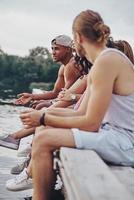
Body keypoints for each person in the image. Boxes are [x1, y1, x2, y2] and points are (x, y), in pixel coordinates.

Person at [6, 9, 134, 200]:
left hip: (124, 142)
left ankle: (38, 192)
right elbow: (81, 112)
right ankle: (37, 181)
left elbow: (90, 123)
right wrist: (44, 120)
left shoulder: (107, 61)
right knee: (43, 131)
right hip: (112, 136)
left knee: (43, 139)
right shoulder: (102, 62)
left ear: (78, 37)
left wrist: (43, 116)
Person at [0, 35, 82, 150]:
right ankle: (23, 142)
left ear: (68, 49)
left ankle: (17, 138)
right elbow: (55, 92)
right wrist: (32, 96)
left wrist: (48, 102)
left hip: (78, 104)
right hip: (71, 101)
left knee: (42, 107)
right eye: (52, 48)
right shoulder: (63, 68)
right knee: (39, 105)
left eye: (57, 49)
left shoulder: (71, 66)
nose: (53, 52)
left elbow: (64, 97)